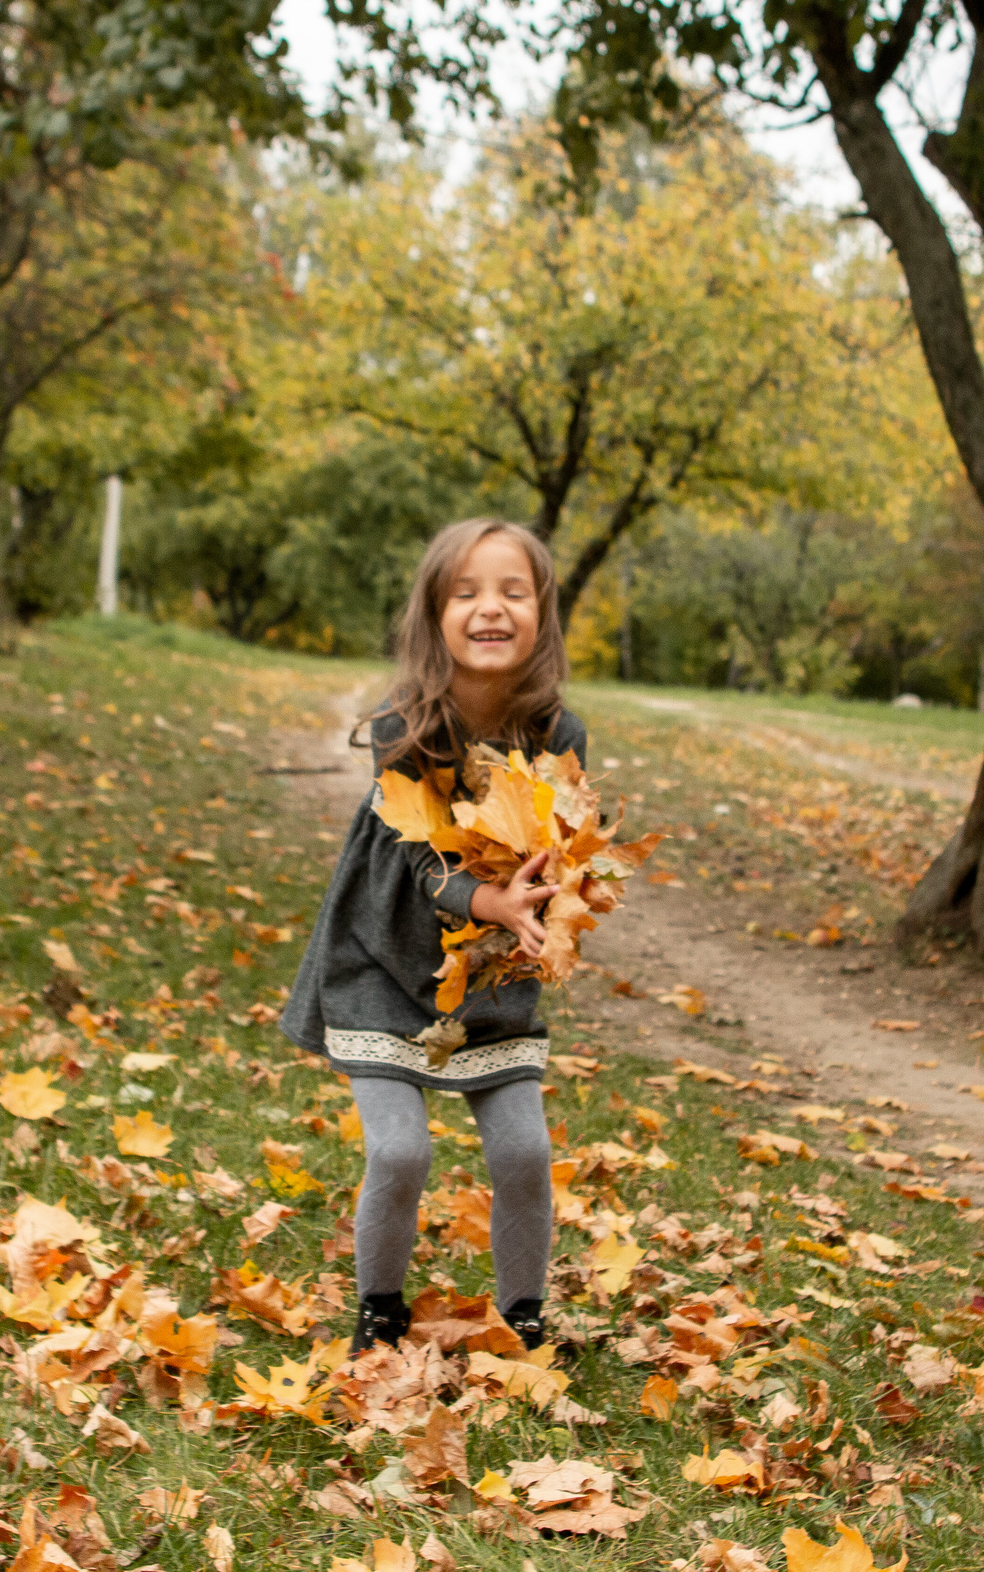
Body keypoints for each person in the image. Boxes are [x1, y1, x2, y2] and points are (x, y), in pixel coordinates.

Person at [281, 518, 584, 1355]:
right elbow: (419, 867)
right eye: (468, 592)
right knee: (401, 1148)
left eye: (512, 591)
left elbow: (564, 847)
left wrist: (546, 904)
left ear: (541, 613)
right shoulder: (403, 725)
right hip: (383, 953)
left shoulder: (558, 732)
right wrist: (491, 898)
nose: (491, 608)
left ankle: (523, 1322)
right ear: (435, 615)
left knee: (524, 1150)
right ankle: (379, 1315)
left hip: (485, 972)